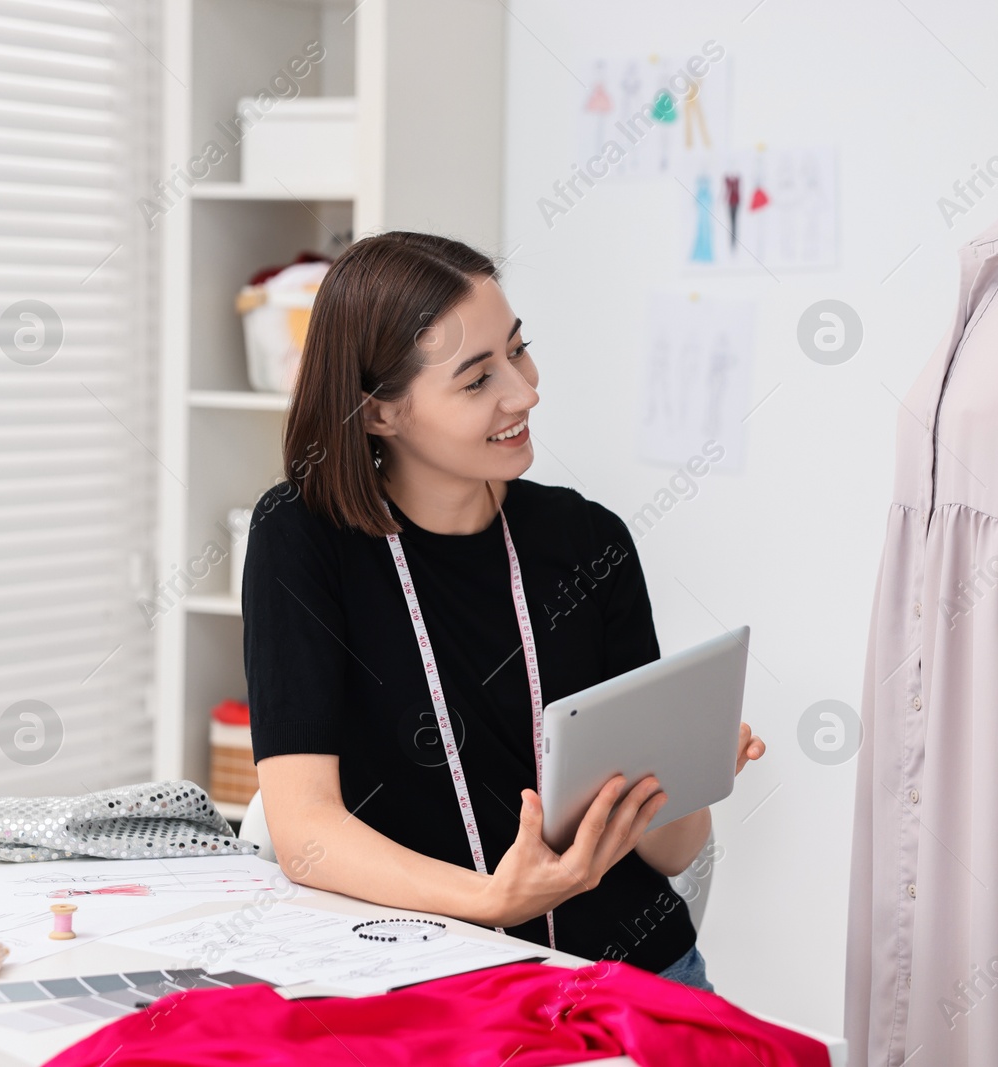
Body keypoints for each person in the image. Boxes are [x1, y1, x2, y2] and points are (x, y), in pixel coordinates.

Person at [242, 231, 765, 991]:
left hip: (633, 976)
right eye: (477, 378)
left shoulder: (588, 540)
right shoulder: (301, 538)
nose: (524, 392)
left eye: (518, 352)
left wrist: (688, 767)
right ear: (382, 411)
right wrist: (492, 900)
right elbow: (304, 830)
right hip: (428, 978)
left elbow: (675, 851)